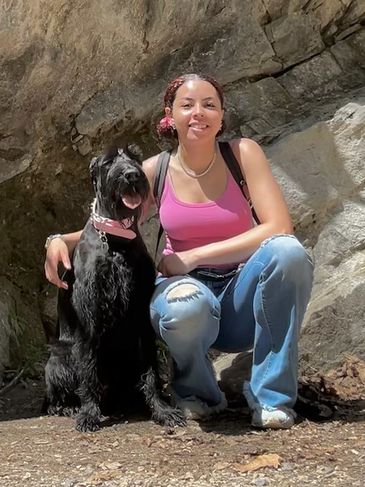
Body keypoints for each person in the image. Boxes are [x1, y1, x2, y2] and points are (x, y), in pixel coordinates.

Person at [44, 73, 313, 429]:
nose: (198, 113)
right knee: (182, 306)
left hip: (242, 297)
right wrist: (58, 239)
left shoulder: (242, 154)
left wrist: (194, 256)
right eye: (187, 105)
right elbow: (112, 221)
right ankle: (198, 395)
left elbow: (279, 227)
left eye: (209, 104)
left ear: (221, 115)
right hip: (191, 298)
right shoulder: (157, 170)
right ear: (170, 115)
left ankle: (271, 399)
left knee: (289, 253)